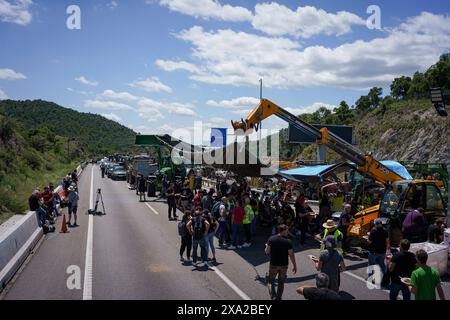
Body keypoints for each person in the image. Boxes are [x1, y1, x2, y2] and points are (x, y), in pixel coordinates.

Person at [265, 224, 297, 300]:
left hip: (274, 264)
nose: (288, 232)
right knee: (281, 282)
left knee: (271, 280)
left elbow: (267, 251)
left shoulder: (271, 239)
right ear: (282, 231)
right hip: (284, 265)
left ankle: (273, 294)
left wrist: (266, 245)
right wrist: (294, 265)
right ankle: (279, 298)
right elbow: (291, 255)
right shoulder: (288, 241)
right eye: (286, 231)